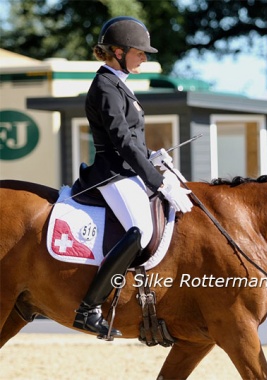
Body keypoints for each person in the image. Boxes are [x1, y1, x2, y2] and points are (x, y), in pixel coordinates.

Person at [72, 16, 193, 338]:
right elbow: (122, 141)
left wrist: (154, 158)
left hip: (128, 171)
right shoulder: (104, 86)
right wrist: (158, 180)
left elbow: (133, 140)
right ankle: (89, 308)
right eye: (140, 52)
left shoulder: (119, 84)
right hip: (112, 175)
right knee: (138, 232)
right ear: (117, 51)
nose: (145, 57)